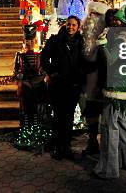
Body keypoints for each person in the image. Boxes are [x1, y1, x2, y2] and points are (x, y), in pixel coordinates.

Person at [93, 5, 126, 179]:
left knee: (109, 127)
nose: (114, 21)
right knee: (122, 124)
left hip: (115, 88)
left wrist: (102, 44)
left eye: (117, 19)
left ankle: (109, 169)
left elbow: (110, 61)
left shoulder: (120, 39)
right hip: (124, 85)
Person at [40, 15, 85, 160]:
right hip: (58, 84)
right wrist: (53, 70)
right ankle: (59, 147)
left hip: (73, 85)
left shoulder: (80, 42)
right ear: (65, 25)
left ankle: (66, 146)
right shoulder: (56, 40)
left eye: (74, 25)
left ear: (78, 27)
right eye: (69, 24)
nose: (71, 27)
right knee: (59, 116)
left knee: (69, 116)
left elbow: (83, 61)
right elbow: (44, 58)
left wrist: (80, 76)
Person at [80, 2, 113, 156]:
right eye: (91, 15)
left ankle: (108, 148)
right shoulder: (85, 37)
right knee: (91, 114)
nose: (92, 19)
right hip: (89, 84)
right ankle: (92, 142)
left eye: (96, 16)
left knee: (106, 116)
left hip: (103, 84)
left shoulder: (107, 39)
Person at [13, 24, 47, 149]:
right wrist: (21, 80)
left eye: (32, 40)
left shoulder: (40, 54)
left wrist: (40, 78)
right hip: (26, 87)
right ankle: (26, 132)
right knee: (26, 111)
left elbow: (44, 70)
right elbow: (16, 71)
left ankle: (37, 133)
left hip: (38, 87)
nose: (30, 43)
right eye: (27, 40)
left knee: (38, 111)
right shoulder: (20, 56)